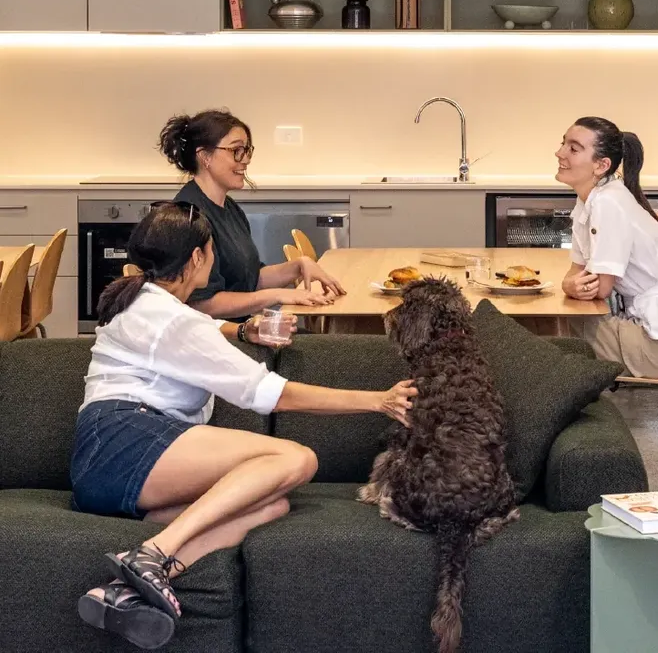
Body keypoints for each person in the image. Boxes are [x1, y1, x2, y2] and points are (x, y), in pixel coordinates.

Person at [71, 203, 416, 649]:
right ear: (197, 259)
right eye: (211, 251)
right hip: (121, 443)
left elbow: (198, 329)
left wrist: (245, 330)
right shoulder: (168, 319)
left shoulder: (150, 302)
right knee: (296, 458)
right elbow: (269, 393)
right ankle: (154, 553)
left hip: (119, 461)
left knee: (271, 506)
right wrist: (377, 400)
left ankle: (129, 584)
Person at [556, 116, 658, 380]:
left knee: (546, 336)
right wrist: (569, 285)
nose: (559, 153)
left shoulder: (609, 203)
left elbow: (598, 287)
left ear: (601, 165)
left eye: (573, 148)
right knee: (548, 329)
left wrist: (570, 286)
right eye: (563, 144)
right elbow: (577, 272)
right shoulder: (589, 201)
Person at [158, 108, 345, 321]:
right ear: (204, 157)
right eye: (236, 150)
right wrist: (276, 295)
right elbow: (200, 305)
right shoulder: (189, 216)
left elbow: (249, 280)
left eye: (247, 150)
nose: (245, 160)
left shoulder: (230, 208)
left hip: (244, 331)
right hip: (220, 340)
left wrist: (297, 266)